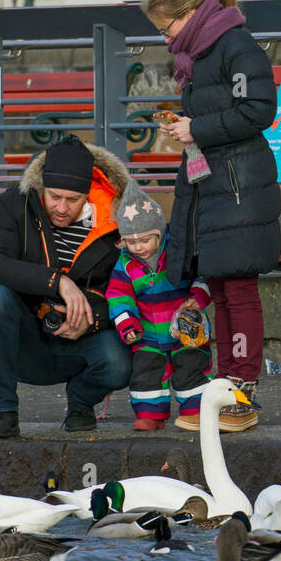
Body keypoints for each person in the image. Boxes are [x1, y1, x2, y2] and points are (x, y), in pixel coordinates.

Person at [144, 0, 281, 429]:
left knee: (238, 290)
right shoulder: (200, 53)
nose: (165, 38)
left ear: (189, 15)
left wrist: (196, 129)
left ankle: (241, 393)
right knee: (220, 289)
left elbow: (259, 110)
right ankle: (225, 388)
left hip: (239, 187)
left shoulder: (235, 45)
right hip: (217, 186)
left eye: (166, 28)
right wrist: (187, 125)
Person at [0, 134, 133, 437]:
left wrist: (91, 319)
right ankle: (3, 412)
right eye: (54, 197)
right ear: (42, 188)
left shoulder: (116, 219)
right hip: (27, 339)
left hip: (85, 340)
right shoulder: (14, 203)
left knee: (120, 362)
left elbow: (129, 284)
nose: (62, 208)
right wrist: (57, 282)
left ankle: (80, 402)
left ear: (88, 193)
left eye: (73, 200)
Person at [106, 180, 216, 431]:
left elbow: (204, 276)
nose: (138, 248)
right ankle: (151, 414)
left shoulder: (178, 252)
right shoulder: (125, 265)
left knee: (192, 368)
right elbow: (118, 295)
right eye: (131, 243)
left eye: (145, 240)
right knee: (146, 374)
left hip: (185, 329)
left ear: (158, 234)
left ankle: (195, 411)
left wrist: (197, 298)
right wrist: (127, 322)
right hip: (148, 332)